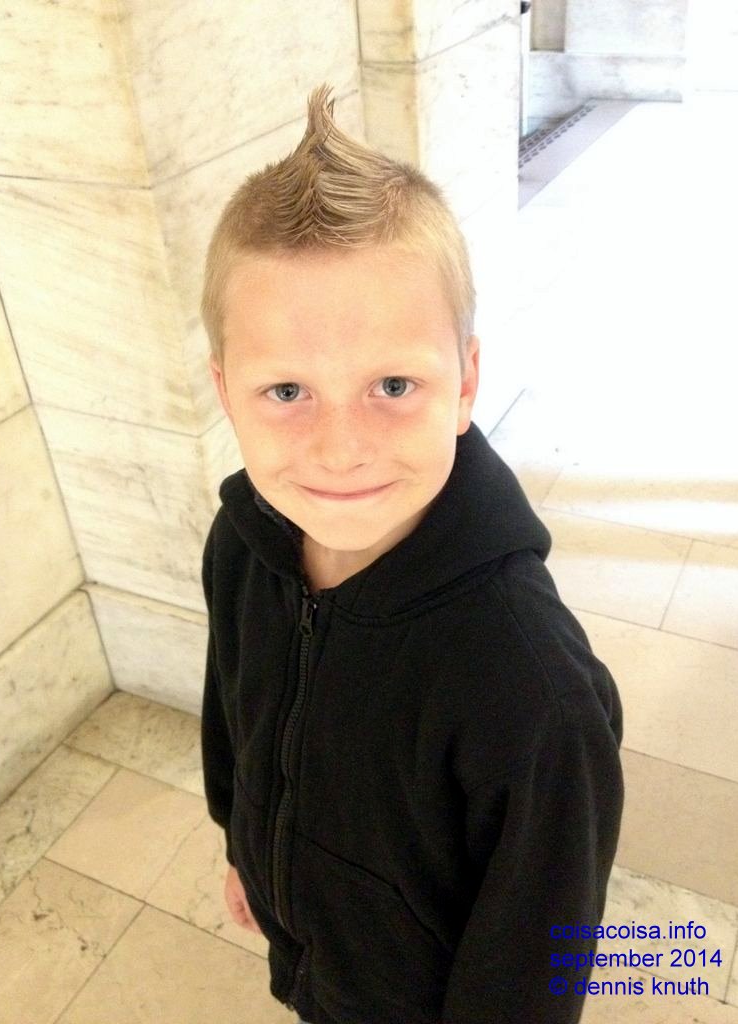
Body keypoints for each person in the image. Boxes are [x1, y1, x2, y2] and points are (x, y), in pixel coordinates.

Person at [199, 83, 624, 1024]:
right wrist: (241, 843)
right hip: (310, 957)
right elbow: (231, 706)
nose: (341, 450)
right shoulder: (241, 542)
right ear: (226, 393)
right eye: (286, 392)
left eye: (393, 384)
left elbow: (541, 958)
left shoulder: (535, 690)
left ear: (465, 383)